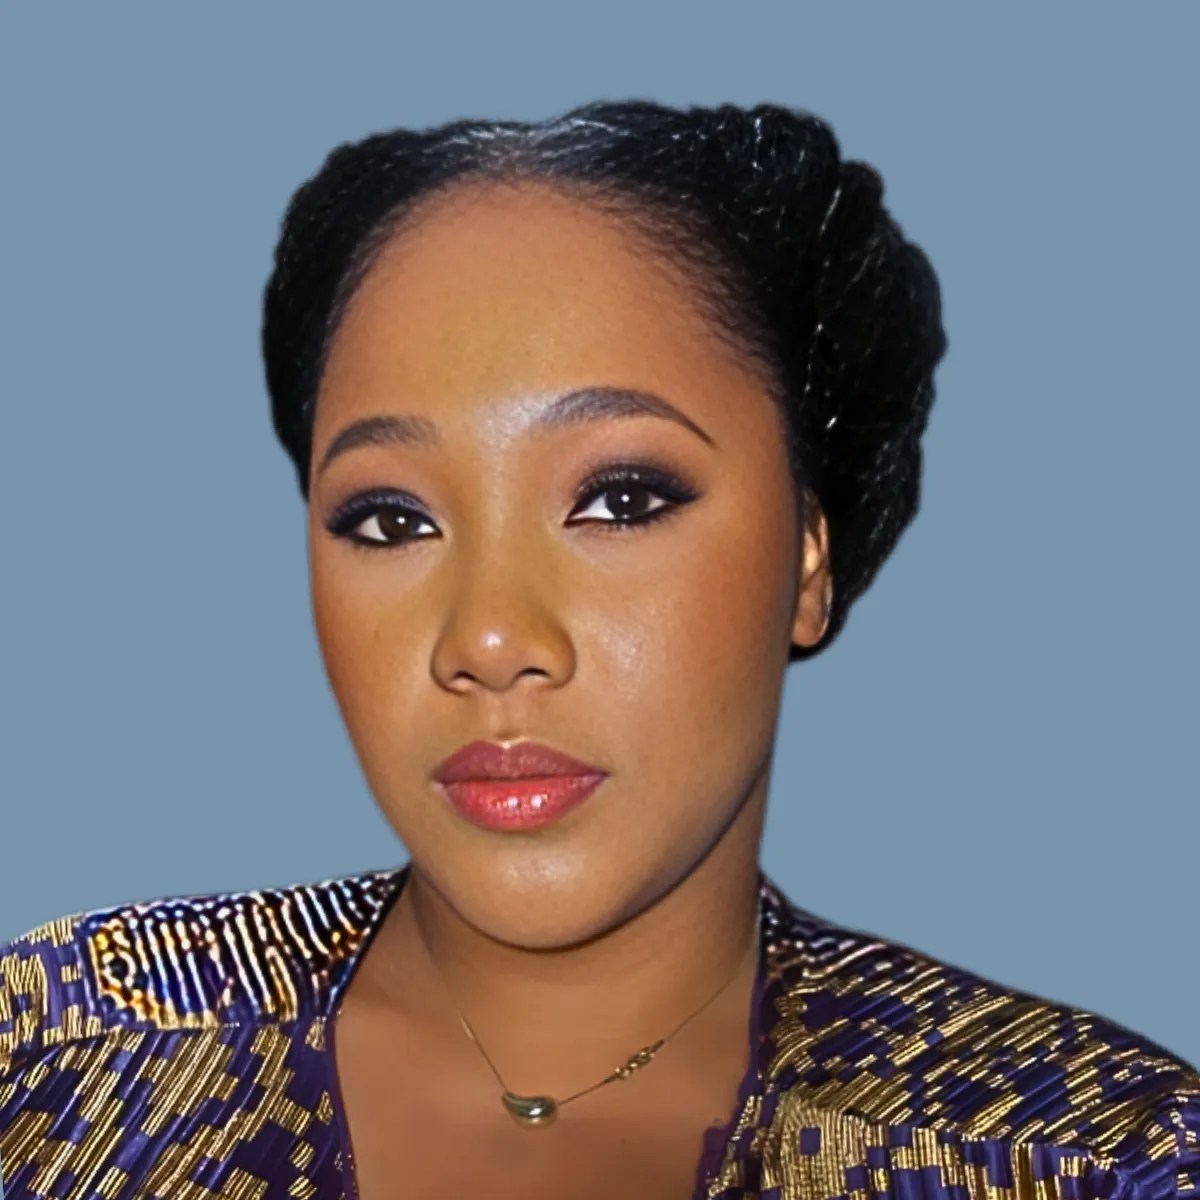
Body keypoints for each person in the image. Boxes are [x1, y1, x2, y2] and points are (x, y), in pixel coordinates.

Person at [0, 99, 1195, 1200]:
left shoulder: (1089, 1160)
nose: (489, 639)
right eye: (392, 519)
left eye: (621, 500)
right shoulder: (51, 1060)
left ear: (808, 558)